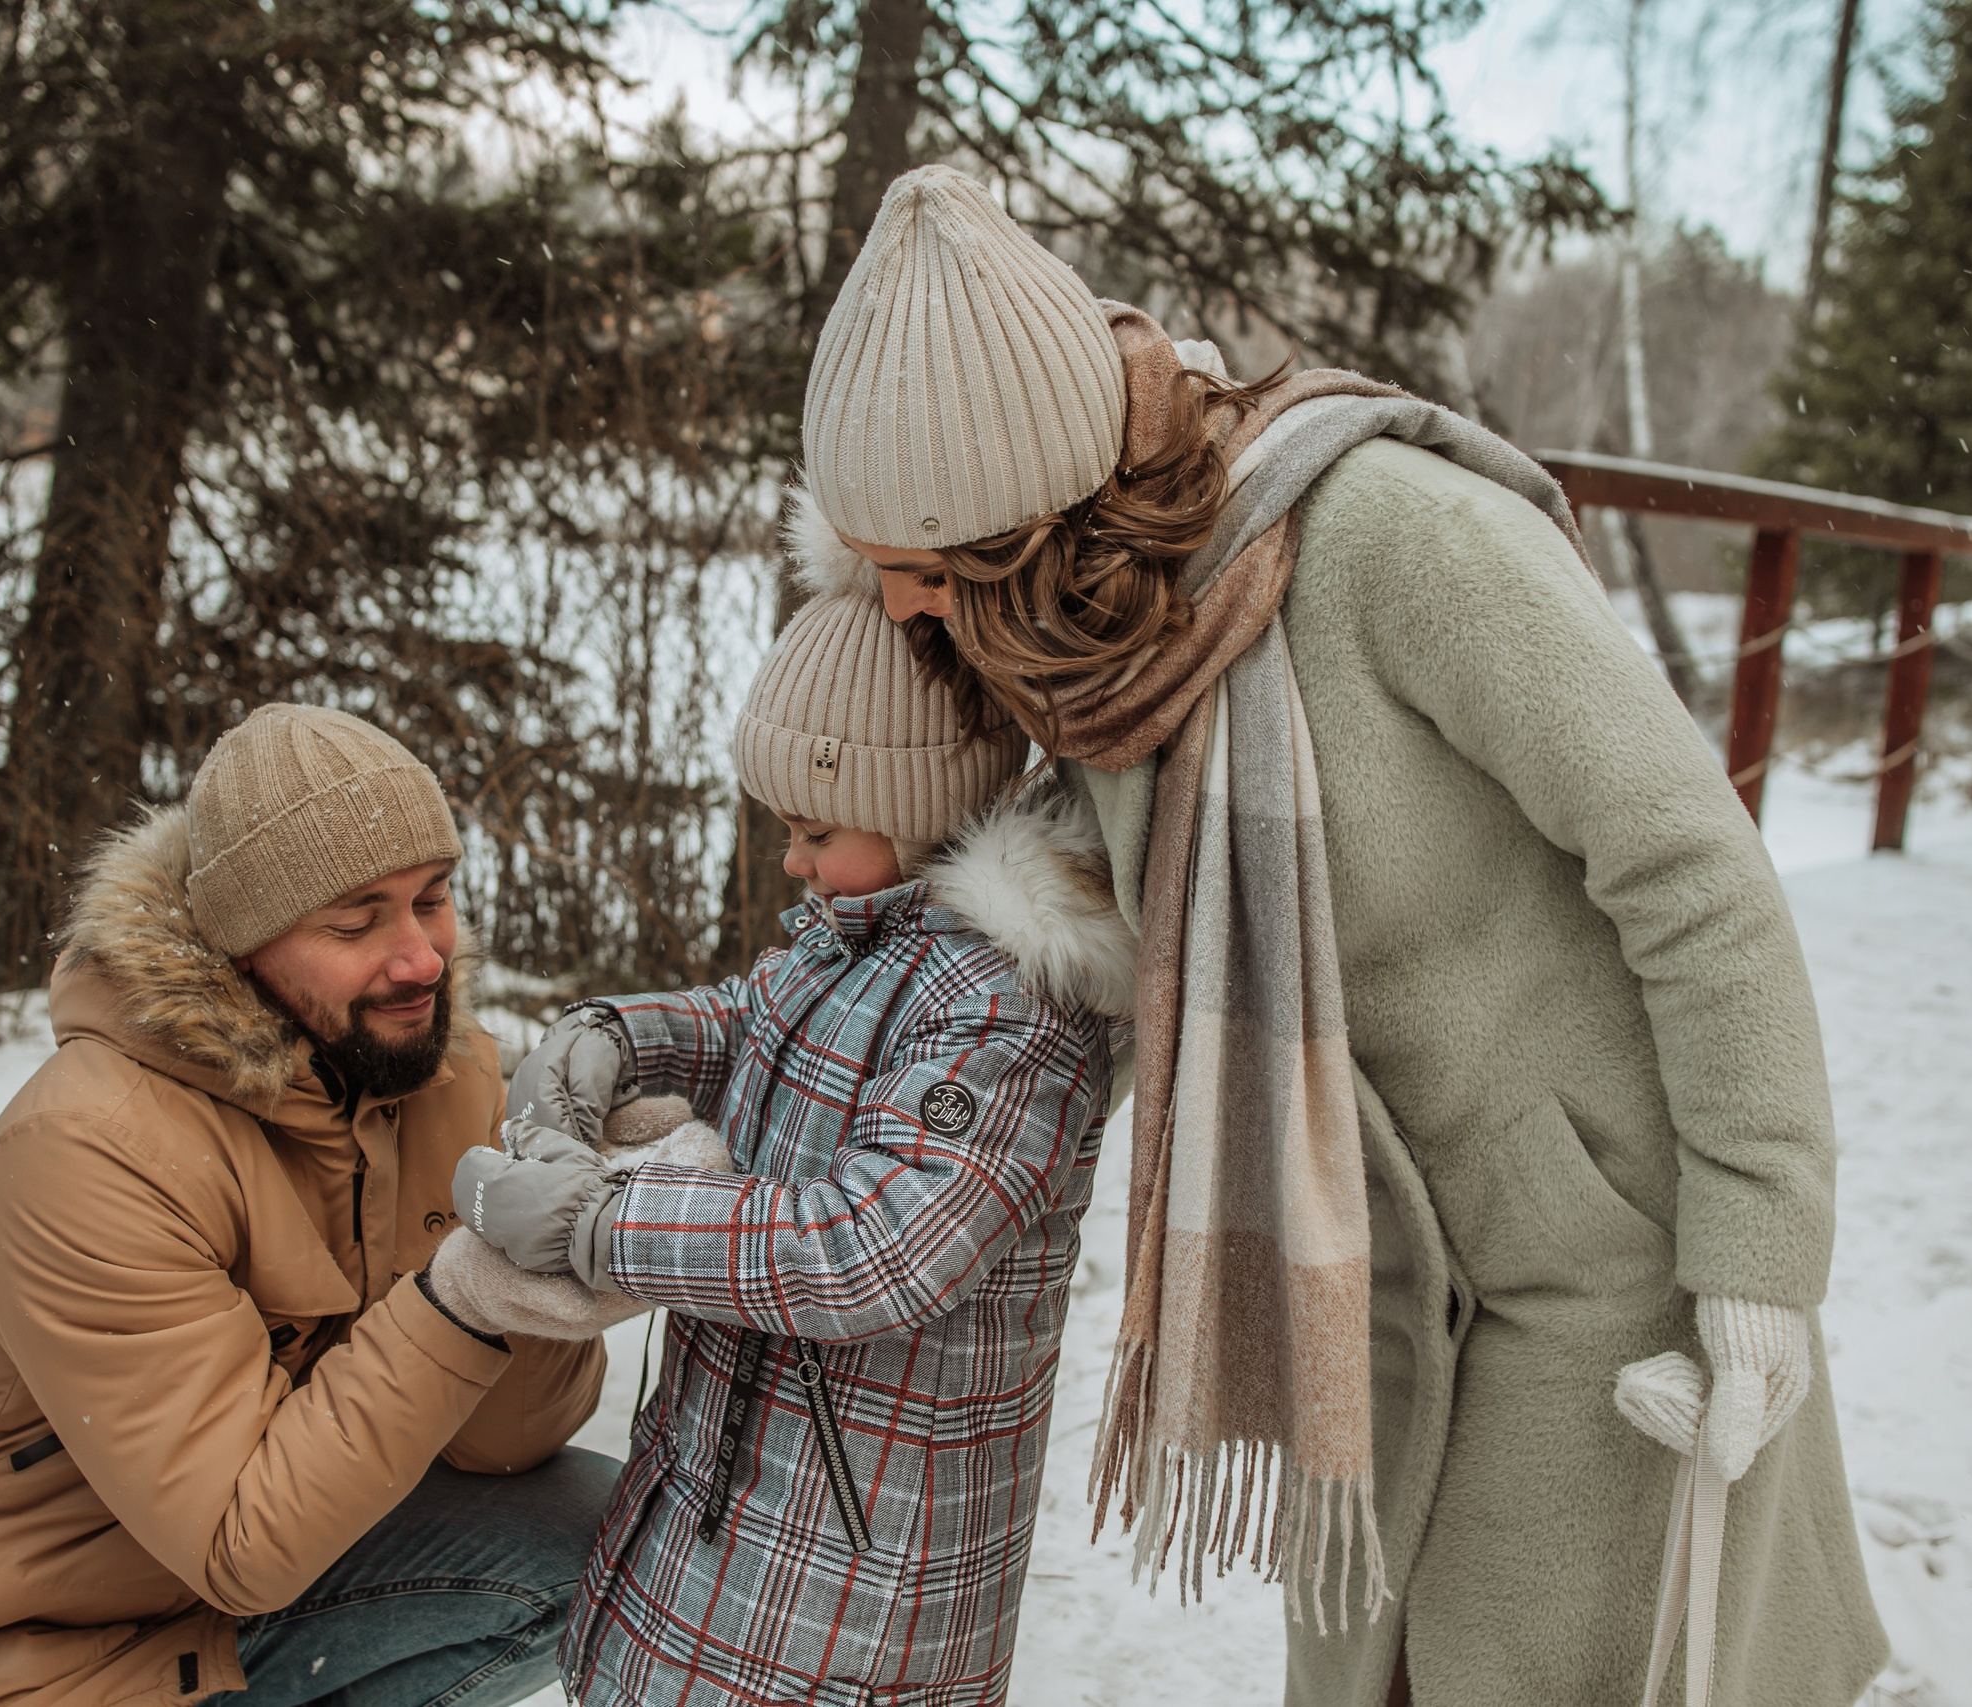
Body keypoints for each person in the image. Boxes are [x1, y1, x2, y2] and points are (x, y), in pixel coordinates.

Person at [781, 164, 1889, 1707]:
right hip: (1363, 1265)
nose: (897, 607)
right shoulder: (1091, 651)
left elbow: (1697, 868)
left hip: (1599, 1253)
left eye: (913, 565)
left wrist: (1762, 1252)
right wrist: (782, 1099)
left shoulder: (1397, 539)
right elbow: (1087, 940)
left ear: (1012, 514)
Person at [0, 705, 616, 1707]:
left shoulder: (433, 1072)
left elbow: (503, 1449)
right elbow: (244, 1541)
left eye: (431, 900)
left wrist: (542, 1263)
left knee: (608, 1534)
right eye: (355, 922)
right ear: (240, 945)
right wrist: (461, 1301)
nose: (421, 959)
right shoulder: (89, 1149)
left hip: (203, 1619)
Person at [457, 591, 1137, 1706]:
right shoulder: (864, 940)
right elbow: (751, 1019)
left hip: (850, 1598)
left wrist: (599, 1225)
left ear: (915, 811)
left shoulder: (1009, 1011)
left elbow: (873, 1248)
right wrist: (617, 1036)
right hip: (732, 1527)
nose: (791, 861)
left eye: (815, 832)